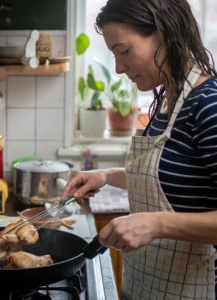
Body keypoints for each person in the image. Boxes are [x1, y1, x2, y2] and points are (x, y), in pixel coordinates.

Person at [61, 0, 217, 299]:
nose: (119, 68)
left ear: (165, 35)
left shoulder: (208, 105)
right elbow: (174, 180)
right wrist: (105, 176)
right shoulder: (168, 103)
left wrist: (156, 224)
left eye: (124, 51)